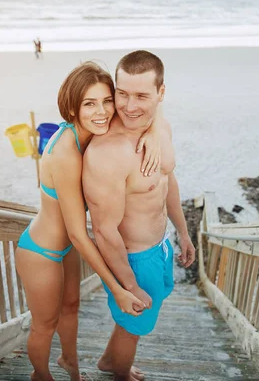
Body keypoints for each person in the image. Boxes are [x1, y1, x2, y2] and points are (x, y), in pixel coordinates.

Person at [15, 61, 163, 381]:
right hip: (41, 252)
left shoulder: (93, 131)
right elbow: (80, 233)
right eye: (89, 103)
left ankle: (72, 367)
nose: (103, 111)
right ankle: (40, 375)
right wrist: (119, 288)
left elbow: (147, 116)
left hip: (67, 248)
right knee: (45, 325)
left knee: (71, 310)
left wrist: (152, 132)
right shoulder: (67, 151)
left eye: (107, 100)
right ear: (72, 107)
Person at [83, 50, 196, 381]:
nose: (130, 106)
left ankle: (108, 360)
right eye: (122, 93)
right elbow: (104, 231)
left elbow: (167, 182)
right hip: (133, 259)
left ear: (161, 94)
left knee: (131, 324)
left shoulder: (161, 128)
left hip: (161, 245)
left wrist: (183, 233)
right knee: (134, 325)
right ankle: (119, 373)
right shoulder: (108, 154)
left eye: (142, 95)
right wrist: (129, 284)